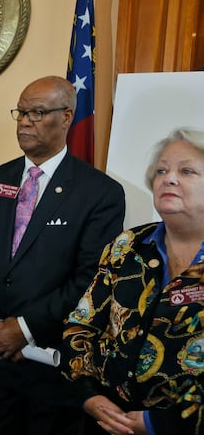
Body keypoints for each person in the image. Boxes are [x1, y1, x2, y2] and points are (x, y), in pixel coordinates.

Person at [0, 75, 126, 435]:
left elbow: (90, 279)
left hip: (54, 366)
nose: (24, 122)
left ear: (66, 117)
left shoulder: (100, 193)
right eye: (21, 112)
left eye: (37, 112)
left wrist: (23, 328)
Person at [62, 128, 204, 435]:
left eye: (187, 171)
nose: (169, 178)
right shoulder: (127, 244)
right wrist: (88, 394)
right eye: (161, 170)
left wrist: (158, 424)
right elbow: (81, 324)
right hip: (106, 420)